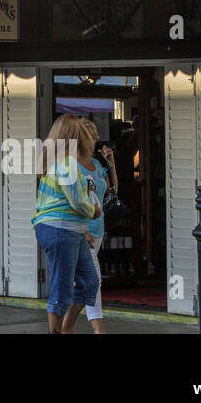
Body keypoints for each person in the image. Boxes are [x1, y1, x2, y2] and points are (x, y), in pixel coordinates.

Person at [31, 114, 101, 334]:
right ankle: (58, 331)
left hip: (69, 230)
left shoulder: (57, 161)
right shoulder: (66, 163)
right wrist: (94, 211)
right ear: (74, 136)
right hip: (61, 229)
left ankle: (65, 329)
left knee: (89, 282)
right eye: (82, 132)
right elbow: (78, 202)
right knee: (61, 289)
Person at [79, 125, 117, 334]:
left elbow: (112, 191)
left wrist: (111, 163)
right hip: (82, 229)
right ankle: (98, 327)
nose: (93, 142)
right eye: (89, 138)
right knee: (94, 278)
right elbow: (69, 199)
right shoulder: (72, 166)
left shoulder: (95, 163)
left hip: (98, 227)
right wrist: (81, 229)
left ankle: (64, 326)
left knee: (83, 282)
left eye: (94, 138)